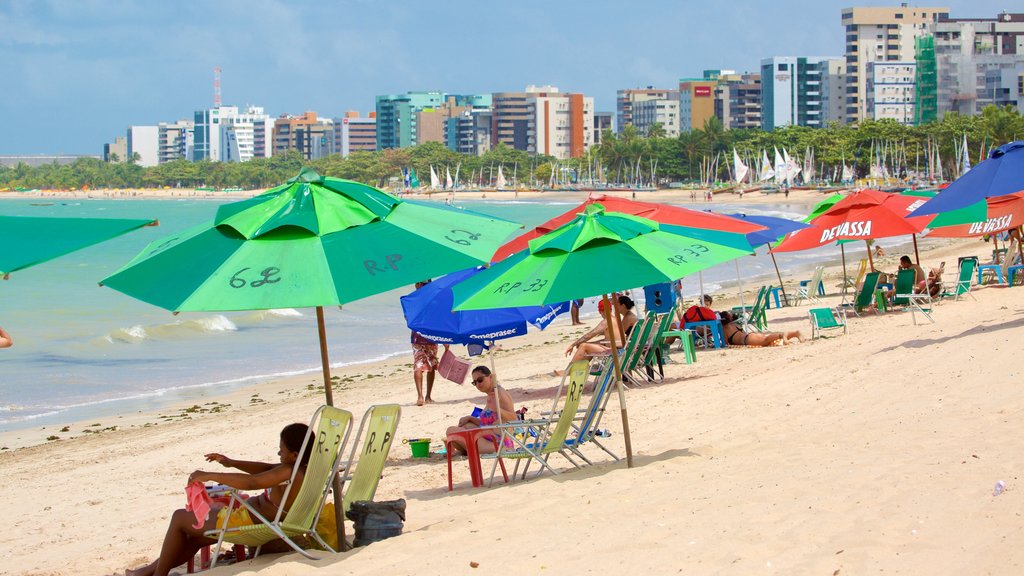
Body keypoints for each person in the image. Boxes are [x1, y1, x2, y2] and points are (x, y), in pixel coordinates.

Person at [125, 423, 312, 576]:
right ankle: (147, 571)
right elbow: (264, 469)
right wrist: (230, 462)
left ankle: (158, 575)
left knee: (180, 517)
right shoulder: (299, 470)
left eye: (281, 450)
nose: (279, 454)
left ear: (295, 455)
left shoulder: (288, 471)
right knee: (194, 539)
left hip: (245, 521)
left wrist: (210, 475)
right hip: (254, 517)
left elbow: (252, 482)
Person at [445, 366, 516, 456]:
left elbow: (514, 419)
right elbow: (489, 423)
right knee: (466, 425)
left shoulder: (500, 394)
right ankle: (467, 450)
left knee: (451, 431)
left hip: (498, 442)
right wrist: (470, 418)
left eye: (480, 380)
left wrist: (498, 410)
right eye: (475, 382)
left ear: (490, 377)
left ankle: (470, 450)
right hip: (489, 437)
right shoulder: (492, 394)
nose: (478, 384)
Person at [564, 295, 638, 362]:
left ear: (600, 311)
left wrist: (573, 344)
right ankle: (578, 368)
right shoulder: (616, 319)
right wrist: (590, 343)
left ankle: (569, 370)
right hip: (621, 349)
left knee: (584, 346)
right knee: (586, 345)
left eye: (617, 304)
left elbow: (590, 335)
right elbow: (608, 340)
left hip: (616, 352)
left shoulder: (607, 321)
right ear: (611, 309)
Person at [411, 280, 448, 406]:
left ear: (419, 285)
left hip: (418, 336)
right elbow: (440, 319)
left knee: (419, 364)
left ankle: (420, 397)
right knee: (431, 365)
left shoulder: (413, 300)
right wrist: (444, 339)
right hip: (432, 335)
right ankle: (427, 397)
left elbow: (407, 318)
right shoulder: (434, 299)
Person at [720, 310, 802, 347]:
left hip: (747, 340)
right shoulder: (734, 324)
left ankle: (782, 335)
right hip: (749, 335)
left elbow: (726, 343)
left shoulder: (724, 329)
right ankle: (795, 333)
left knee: (765, 341)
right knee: (768, 339)